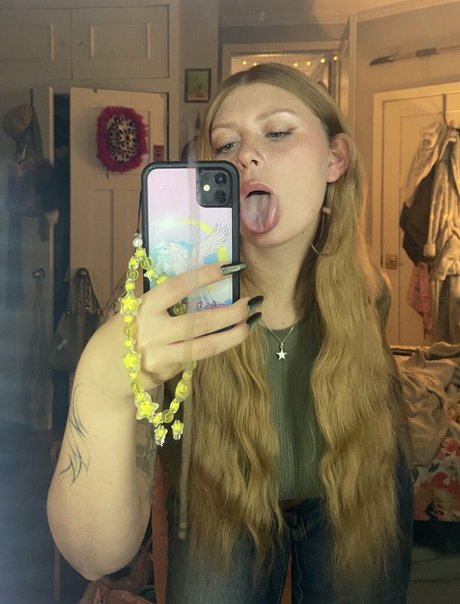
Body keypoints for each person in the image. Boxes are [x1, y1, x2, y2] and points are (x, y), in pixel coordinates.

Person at [47, 63, 413, 603]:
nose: (246, 156)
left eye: (278, 132)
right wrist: (104, 383)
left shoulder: (370, 292)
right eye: (226, 144)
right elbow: (95, 555)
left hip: (349, 493)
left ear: (335, 159)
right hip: (223, 503)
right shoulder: (166, 314)